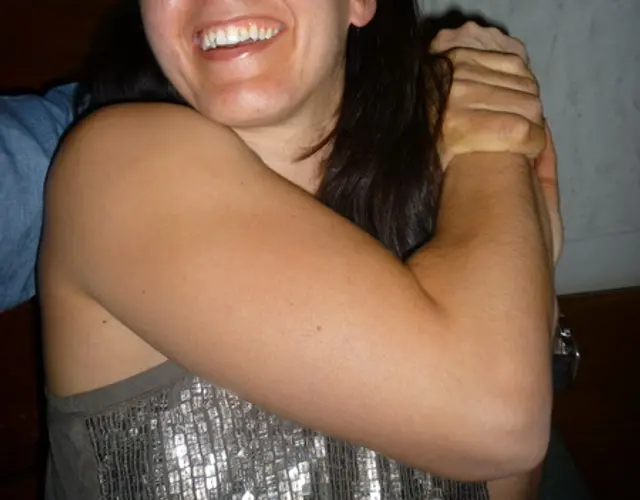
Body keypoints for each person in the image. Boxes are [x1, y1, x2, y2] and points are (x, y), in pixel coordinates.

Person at [2, 1, 561, 499]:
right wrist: (491, 136)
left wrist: (510, 201)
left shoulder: (438, 207)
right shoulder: (117, 167)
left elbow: (504, 473)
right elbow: (499, 421)